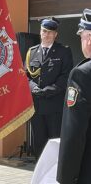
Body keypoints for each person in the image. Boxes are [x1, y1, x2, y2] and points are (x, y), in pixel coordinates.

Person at [25, 17, 73, 158]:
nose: (47, 35)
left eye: (50, 32)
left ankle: (55, 173)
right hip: (37, 106)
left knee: (54, 140)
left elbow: (66, 76)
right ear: (40, 32)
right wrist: (33, 88)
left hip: (54, 106)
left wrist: (47, 90)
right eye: (44, 31)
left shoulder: (63, 51)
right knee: (38, 141)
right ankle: (40, 172)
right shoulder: (31, 52)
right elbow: (25, 75)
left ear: (55, 34)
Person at [57, 8, 91, 184]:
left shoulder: (82, 74)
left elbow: (74, 134)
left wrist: (66, 178)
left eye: (82, 36)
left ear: (90, 39)